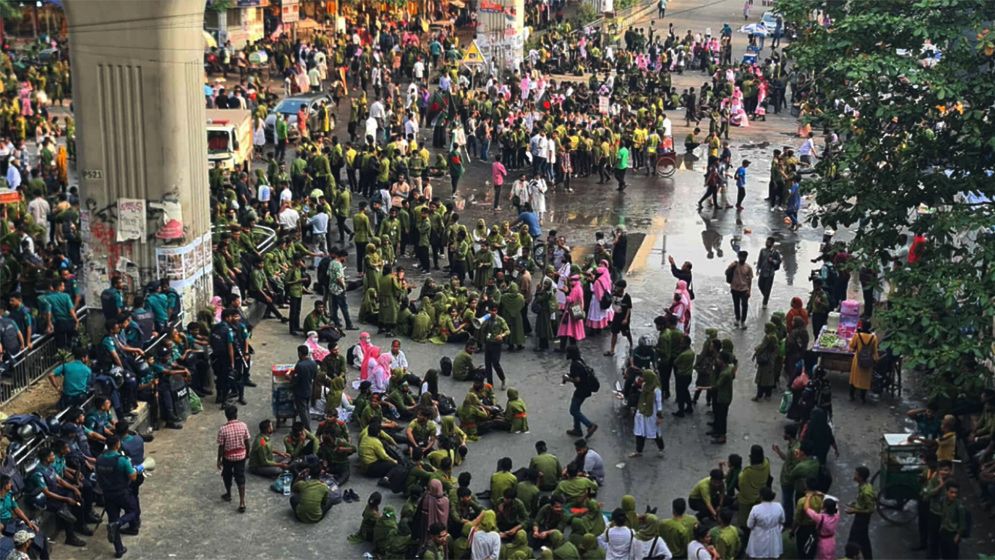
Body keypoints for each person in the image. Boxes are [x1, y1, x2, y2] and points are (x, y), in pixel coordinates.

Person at [96, 435, 140, 558]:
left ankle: (119, 550)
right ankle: (119, 523)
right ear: (117, 445)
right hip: (121, 493)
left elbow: (98, 476)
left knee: (112, 518)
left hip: (107, 493)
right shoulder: (122, 460)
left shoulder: (99, 459)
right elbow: (133, 477)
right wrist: (137, 469)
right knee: (133, 511)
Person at [216, 405, 250, 513]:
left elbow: (221, 446)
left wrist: (219, 459)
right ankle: (242, 502)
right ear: (236, 414)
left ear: (226, 416)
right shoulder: (243, 426)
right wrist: (247, 453)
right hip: (241, 456)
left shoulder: (223, 429)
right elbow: (247, 441)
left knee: (227, 475)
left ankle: (229, 494)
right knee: (240, 477)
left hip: (228, 457)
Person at [629, 366, 665, 458]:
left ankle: (661, 449)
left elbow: (659, 404)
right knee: (639, 432)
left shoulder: (656, 390)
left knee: (654, 432)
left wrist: (659, 417)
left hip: (651, 414)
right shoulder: (644, 385)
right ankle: (639, 451)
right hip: (641, 412)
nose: (642, 378)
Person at [564, 346, 598, 438]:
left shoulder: (574, 365)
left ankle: (590, 425)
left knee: (573, 410)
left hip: (581, 390)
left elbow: (577, 379)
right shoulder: (580, 361)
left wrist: (568, 379)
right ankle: (577, 429)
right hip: (586, 388)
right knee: (576, 409)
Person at [745, 487, 784, 559]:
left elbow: (749, 524)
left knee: (757, 553)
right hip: (774, 533)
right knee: (773, 552)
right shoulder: (778, 506)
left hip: (758, 534)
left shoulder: (755, 508)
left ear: (761, 496)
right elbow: (782, 520)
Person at [845, 466, 874, 559]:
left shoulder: (866, 492)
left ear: (860, 477)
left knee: (852, 541)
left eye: (856, 474)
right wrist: (854, 504)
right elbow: (862, 502)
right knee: (864, 541)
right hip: (861, 518)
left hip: (862, 519)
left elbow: (870, 509)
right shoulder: (863, 486)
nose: (854, 475)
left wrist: (854, 510)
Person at [480, 304, 510, 388]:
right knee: (487, 364)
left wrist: (502, 335)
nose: (493, 312)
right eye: (491, 310)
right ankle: (490, 384)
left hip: (496, 343)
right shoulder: (487, 319)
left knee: (495, 363)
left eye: (495, 311)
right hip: (488, 342)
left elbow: (507, 330)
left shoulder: (500, 320)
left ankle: (503, 379)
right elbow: (483, 330)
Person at [848, 320, 878, 403]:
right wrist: (875, 360)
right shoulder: (873, 337)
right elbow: (874, 351)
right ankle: (862, 397)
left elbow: (851, 346)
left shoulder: (857, 335)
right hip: (868, 361)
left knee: (854, 379)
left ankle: (852, 396)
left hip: (857, 360)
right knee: (865, 380)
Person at [803, 494, 840, 560]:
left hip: (823, 541)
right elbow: (836, 506)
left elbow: (806, 509)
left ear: (825, 508)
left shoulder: (820, 518)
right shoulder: (836, 516)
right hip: (832, 540)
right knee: (831, 556)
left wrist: (808, 497)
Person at [291, 345, 318, 431]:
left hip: (300, 391)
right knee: (307, 408)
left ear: (299, 353)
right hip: (309, 389)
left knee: (303, 411)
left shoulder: (300, 365)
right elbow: (315, 376)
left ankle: (307, 429)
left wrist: (289, 378)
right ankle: (307, 425)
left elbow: (296, 380)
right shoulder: (313, 363)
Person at [726, 251, 753, 328]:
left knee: (745, 305)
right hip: (734, 288)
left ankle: (743, 321)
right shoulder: (734, 265)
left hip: (744, 289)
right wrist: (731, 267)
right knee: (736, 305)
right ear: (738, 257)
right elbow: (726, 272)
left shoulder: (748, 267)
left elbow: (750, 280)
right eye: (741, 257)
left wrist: (749, 290)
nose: (742, 259)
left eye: (744, 258)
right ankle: (737, 318)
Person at [756, 237, 782, 308]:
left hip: (770, 273)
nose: (767, 243)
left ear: (772, 244)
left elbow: (779, 261)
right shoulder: (762, 251)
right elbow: (759, 260)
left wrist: (772, 261)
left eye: (769, 242)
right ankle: (766, 296)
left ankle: (765, 302)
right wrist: (758, 269)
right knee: (760, 285)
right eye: (766, 242)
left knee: (768, 288)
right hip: (762, 272)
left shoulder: (775, 252)